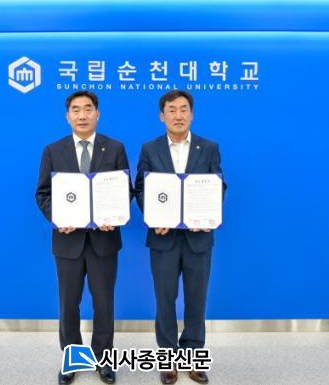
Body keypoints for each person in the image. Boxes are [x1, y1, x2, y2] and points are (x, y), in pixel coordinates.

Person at [36, 90, 130, 385]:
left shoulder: (114, 148)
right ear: (67, 117)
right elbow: (43, 193)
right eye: (76, 110)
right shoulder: (53, 150)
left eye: (88, 109)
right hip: (68, 241)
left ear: (97, 114)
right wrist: (58, 217)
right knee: (68, 305)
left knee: (104, 304)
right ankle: (73, 359)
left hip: (104, 241)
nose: (82, 115)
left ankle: (104, 360)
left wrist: (114, 216)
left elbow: (125, 190)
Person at [134, 90, 226, 385]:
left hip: (199, 240)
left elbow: (218, 186)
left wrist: (207, 216)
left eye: (184, 109)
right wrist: (154, 216)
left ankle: (194, 358)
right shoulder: (150, 149)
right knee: (165, 301)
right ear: (162, 116)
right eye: (172, 110)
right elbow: (141, 188)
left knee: (197, 301)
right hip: (163, 239)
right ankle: (168, 360)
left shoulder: (208, 147)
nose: (178, 115)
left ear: (192, 114)